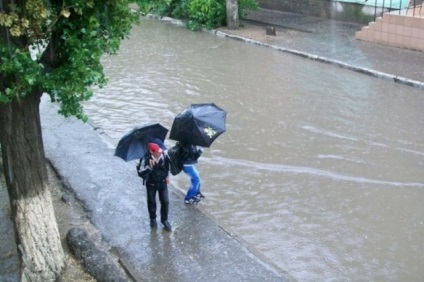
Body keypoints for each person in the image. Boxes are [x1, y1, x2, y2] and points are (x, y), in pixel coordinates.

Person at [137, 142, 172, 231]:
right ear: (151, 151)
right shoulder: (145, 159)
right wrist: (149, 167)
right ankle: (153, 219)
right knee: (152, 202)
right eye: (157, 152)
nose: (160, 153)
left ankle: (164, 220)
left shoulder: (164, 155)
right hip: (151, 184)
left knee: (165, 202)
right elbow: (140, 173)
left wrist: (167, 176)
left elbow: (167, 166)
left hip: (162, 183)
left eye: (160, 151)